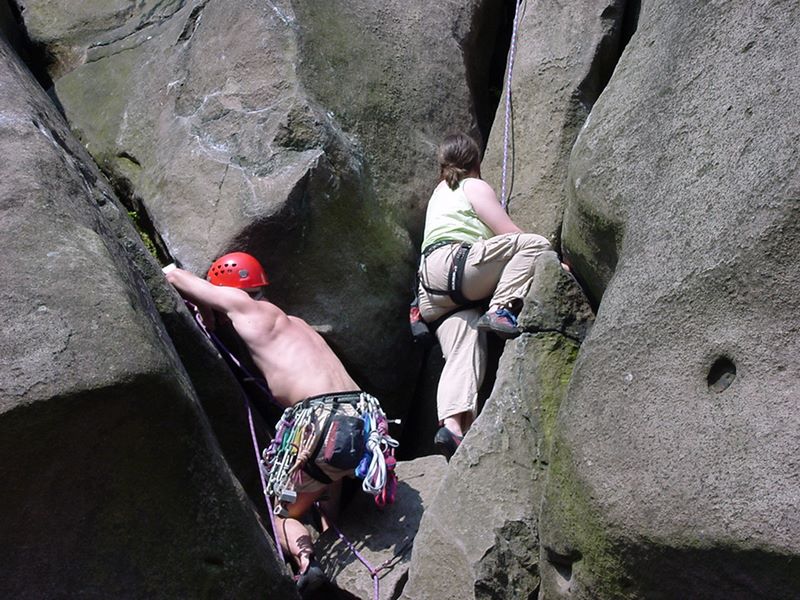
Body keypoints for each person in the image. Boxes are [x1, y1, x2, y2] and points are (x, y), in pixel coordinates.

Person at [163, 251, 368, 595]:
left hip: (321, 423)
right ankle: (332, 536)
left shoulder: (244, 307)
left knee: (282, 512)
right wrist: (210, 316)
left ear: (228, 289)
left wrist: (207, 308)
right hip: (362, 420)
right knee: (325, 476)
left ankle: (307, 564)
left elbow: (172, 275)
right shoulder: (297, 323)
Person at [417, 132, 553, 458]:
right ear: (476, 162)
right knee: (537, 245)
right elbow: (511, 235)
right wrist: (552, 265)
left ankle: (452, 427)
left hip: (431, 292)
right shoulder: (473, 186)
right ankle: (501, 308)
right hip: (456, 268)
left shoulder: (439, 193)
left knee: (465, 345)